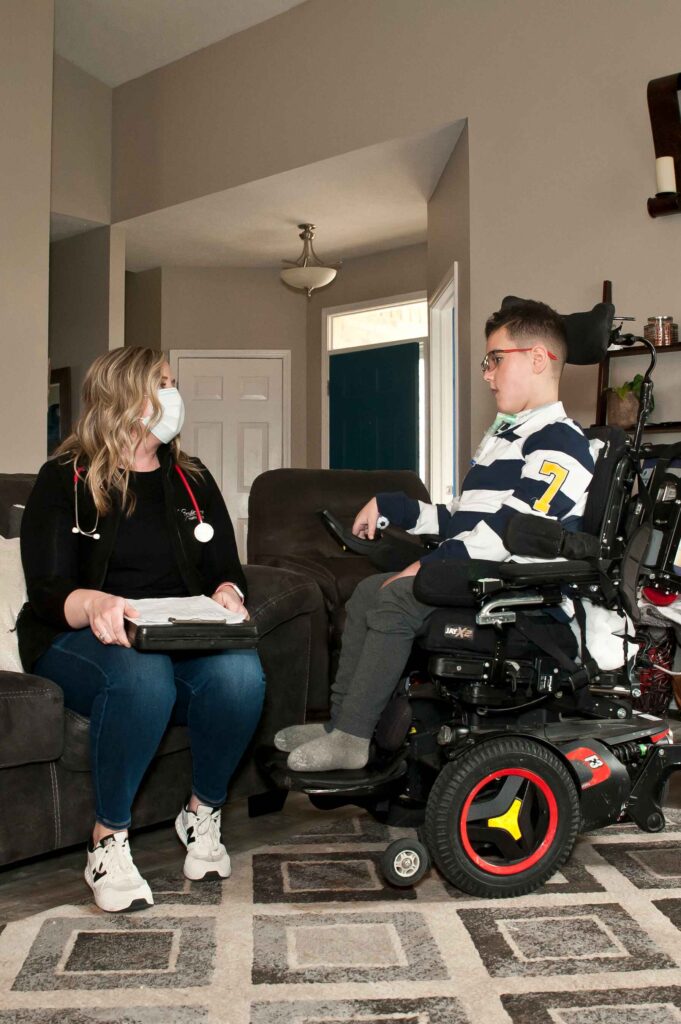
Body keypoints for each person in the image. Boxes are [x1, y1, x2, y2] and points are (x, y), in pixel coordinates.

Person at [275, 298, 595, 771]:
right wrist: (395, 507)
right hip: (482, 573)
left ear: (537, 358)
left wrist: (428, 565)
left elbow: (511, 532)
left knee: (396, 596)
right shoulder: (507, 439)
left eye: (495, 360)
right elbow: (465, 520)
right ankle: (343, 724)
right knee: (367, 591)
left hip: (519, 594)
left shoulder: (562, 443)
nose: (487, 374)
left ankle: (353, 736)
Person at [18, 347, 266, 913]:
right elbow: (48, 588)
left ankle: (202, 812)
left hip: (174, 632)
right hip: (80, 635)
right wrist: (97, 603)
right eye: (162, 383)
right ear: (124, 396)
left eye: (173, 383)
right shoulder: (65, 478)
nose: (173, 396)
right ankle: (107, 839)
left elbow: (225, 568)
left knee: (241, 675)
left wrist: (229, 593)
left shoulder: (193, 479)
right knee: (143, 673)